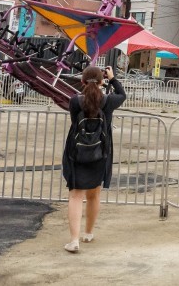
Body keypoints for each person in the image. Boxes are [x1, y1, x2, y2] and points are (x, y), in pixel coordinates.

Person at [62, 65, 126, 253]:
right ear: (101, 82)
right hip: (101, 152)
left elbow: (76, 116)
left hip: (77, 153)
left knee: (75, 195)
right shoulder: (108, 101)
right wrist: (112, 79)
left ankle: (74, 240)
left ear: (82, 82)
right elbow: (122, 95)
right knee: (94, 194)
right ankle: (88, 233)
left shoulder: (75, 102)